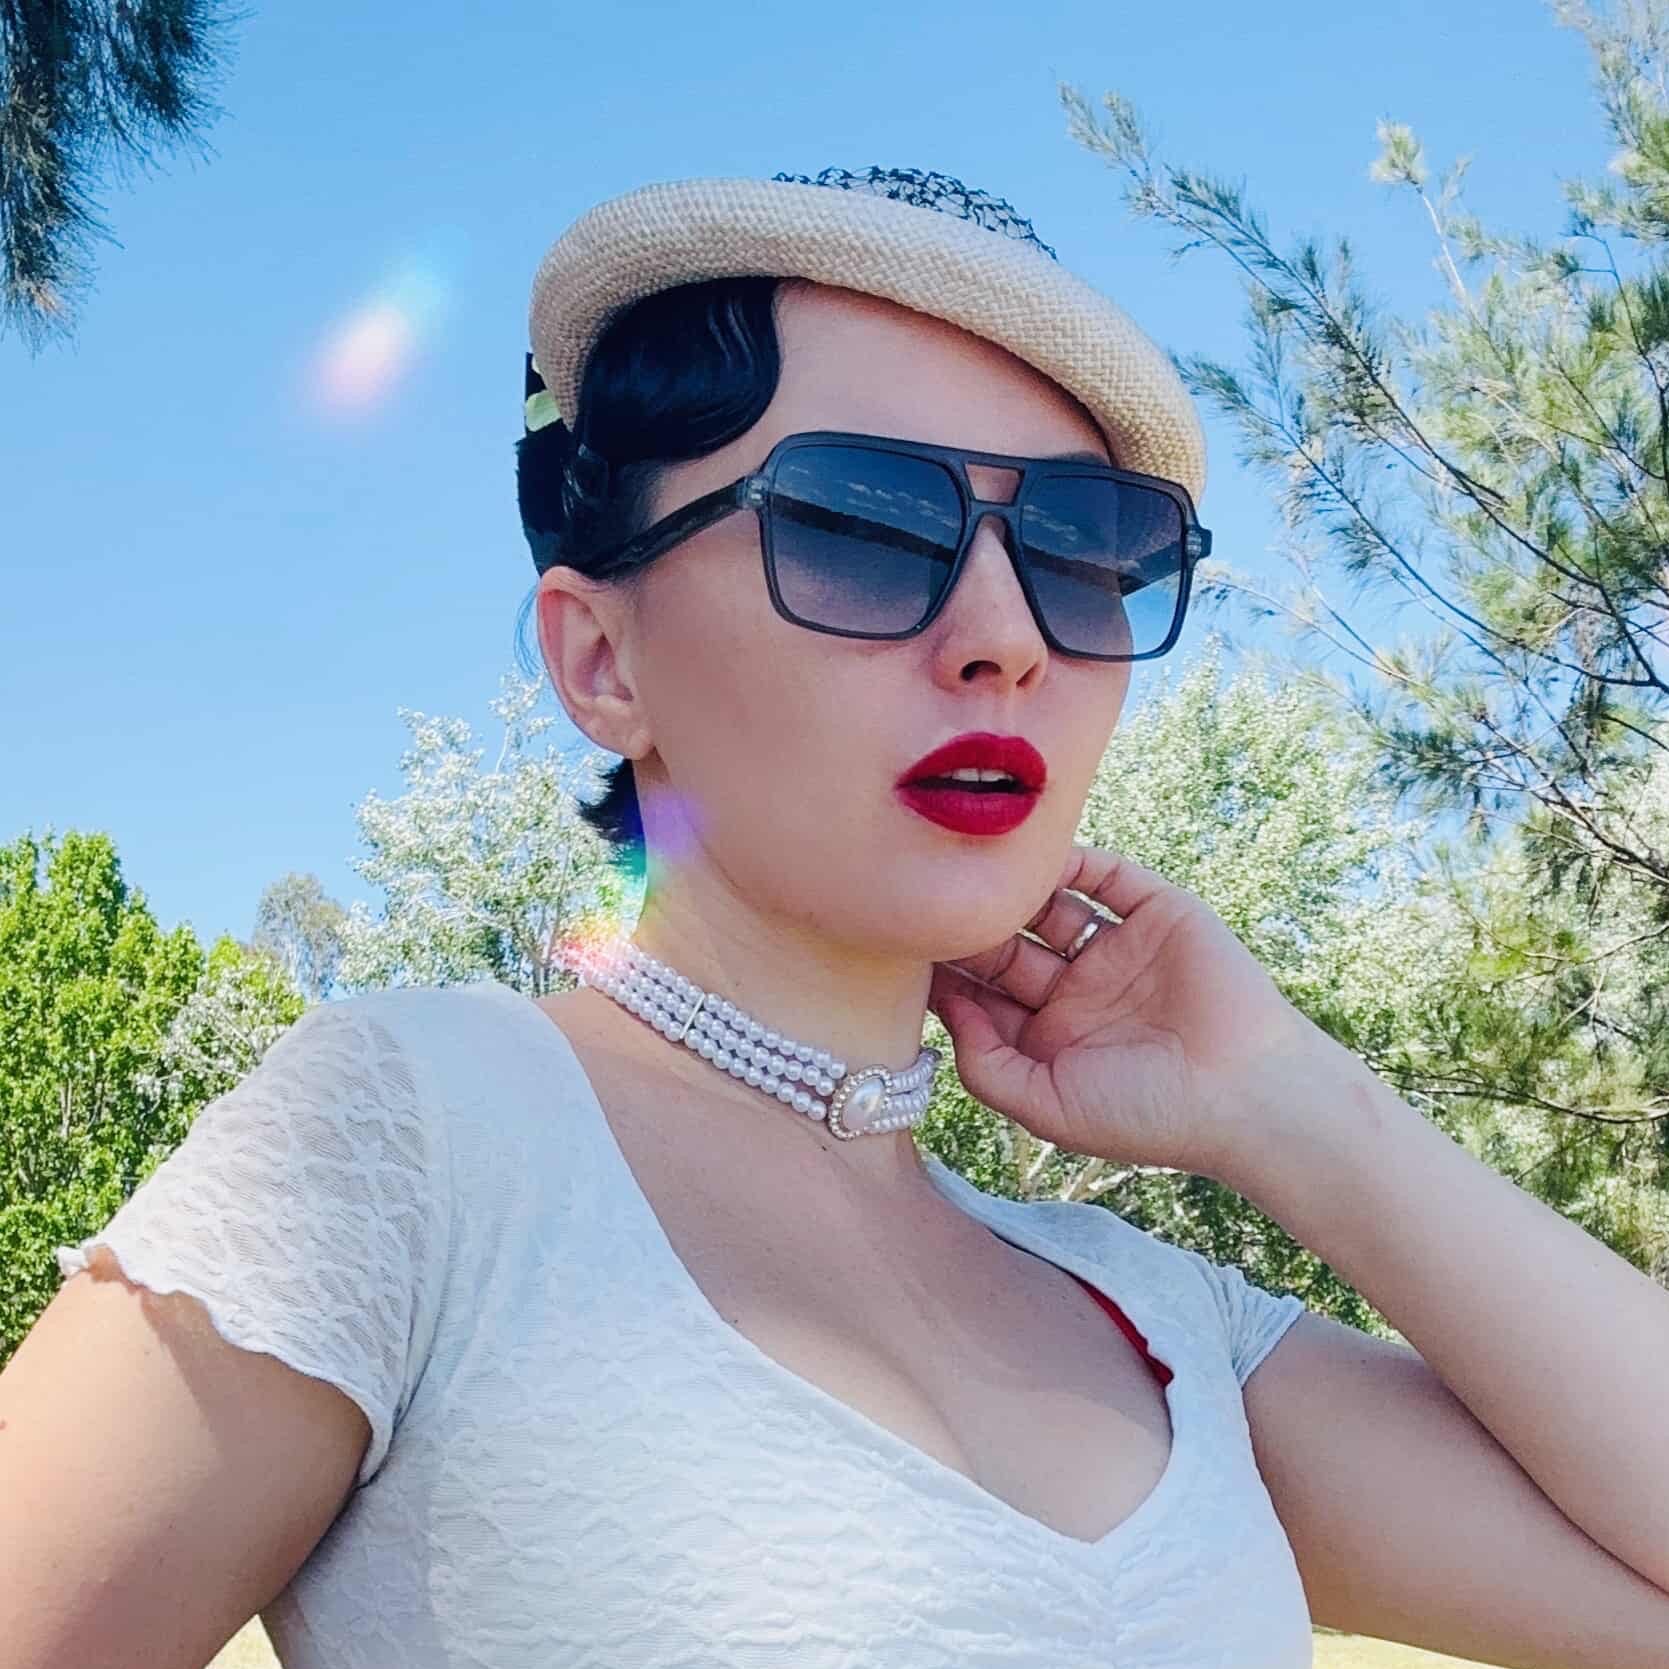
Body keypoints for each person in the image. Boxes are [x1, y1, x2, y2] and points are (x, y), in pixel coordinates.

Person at [8, 166, 1669, 1669]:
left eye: (1085, 552)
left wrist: (1293, 1105)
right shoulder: (415, 1141)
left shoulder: (1155, 1322)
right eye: (863, 525)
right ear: (601, 659)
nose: (1005, 634)